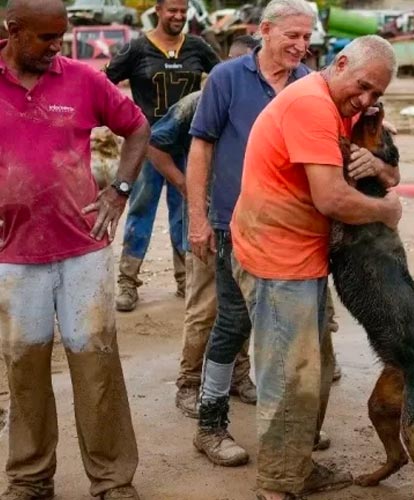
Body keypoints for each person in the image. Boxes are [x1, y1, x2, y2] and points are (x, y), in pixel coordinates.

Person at [230, 34, 401, 500]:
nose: (365, 101)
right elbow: (331, 197)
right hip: (278, 258)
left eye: (376, 95)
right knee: (291, 375)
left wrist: (383, 172)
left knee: (315, 368)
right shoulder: (311, 105)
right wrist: (387, 211)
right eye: (363, 86)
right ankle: (279, 484)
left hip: (301, 253)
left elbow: (384, 169)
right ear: (340, 63)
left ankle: (295, 466)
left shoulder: (342, 107)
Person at [0, 1, 150, 499]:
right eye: (45, 38)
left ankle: (111, 479)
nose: (56, 47)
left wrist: (120, 189)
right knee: (24, 366)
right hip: (13, 256)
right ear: (13, 31)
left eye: (62, 36)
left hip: (82, 250)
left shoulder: (83, 80)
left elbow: (137, 127)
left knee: (96, 362)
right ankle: (29, 477)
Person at [186, 0, 330, 467]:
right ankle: (210, 426)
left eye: (307, 38)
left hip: (295, 231)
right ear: (264, 31)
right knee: (232, 323)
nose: (301, 46)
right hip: (236, 226)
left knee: (294, 329)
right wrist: (198, 218)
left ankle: (292, 428)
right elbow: (201, 149)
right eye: (293, 36)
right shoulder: (227, 78)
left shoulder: (310, 83)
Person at [146, 36, 260, 418]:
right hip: (208, 227)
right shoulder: (196, 103)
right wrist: (183, 185)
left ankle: (239, 376)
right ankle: (189, 383)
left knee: (240, 306)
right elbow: (155, 145)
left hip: (247, 226)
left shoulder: (267, 101)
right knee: (203, 308)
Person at [105, 0, 220, 312]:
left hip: (190, 148)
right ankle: (128, 282)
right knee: (141, 210)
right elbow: (104, 84)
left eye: (183, 11)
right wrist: (124, 120)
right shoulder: (137, 49)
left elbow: (224, 79)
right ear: (158, 10)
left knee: (187, 210)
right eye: (172, 10)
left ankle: (186, 280)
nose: (178, 16)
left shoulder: (197, 47)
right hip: (146, 150)